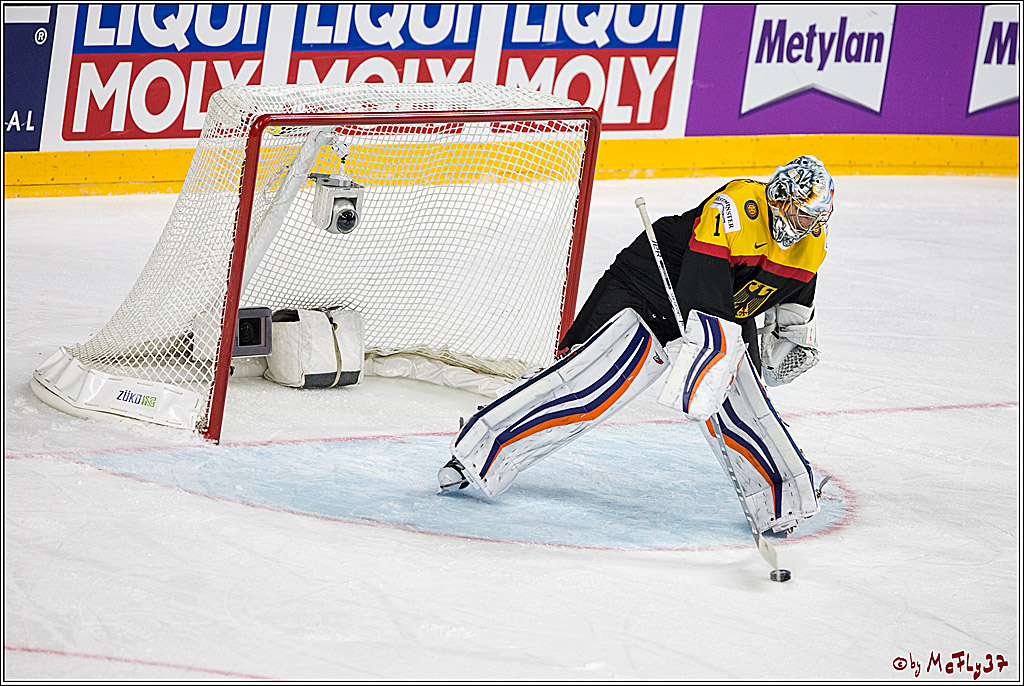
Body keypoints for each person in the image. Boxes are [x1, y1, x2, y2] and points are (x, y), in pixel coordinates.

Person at [438, 155, 834, 536]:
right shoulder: (735, 208)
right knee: (589, 382)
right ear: (780, 198)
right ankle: (480, 453)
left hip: (729, 304)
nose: (810, 224)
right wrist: (703, 372)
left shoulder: (811, 244)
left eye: (818, 216)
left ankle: (783, 500)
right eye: (804, 213)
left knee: (746, 403)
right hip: (650, 287)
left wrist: (790, 345)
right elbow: (706, 302)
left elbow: (793, 307)